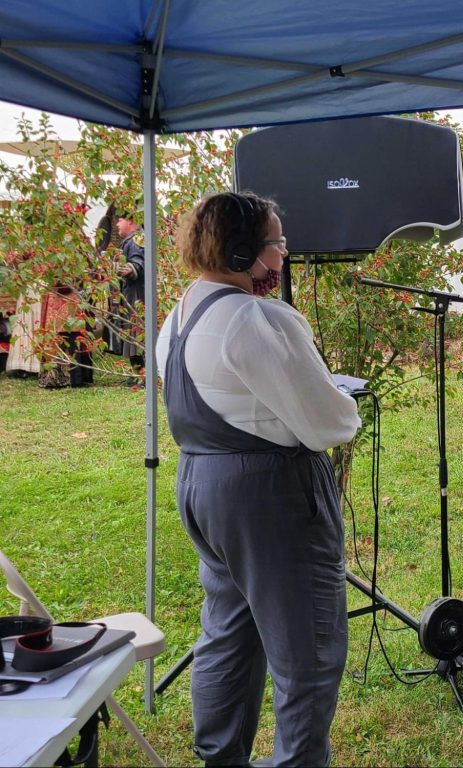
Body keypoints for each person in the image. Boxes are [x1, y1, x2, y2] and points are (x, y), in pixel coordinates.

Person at [155, 191, 361, 766]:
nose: (282, 256)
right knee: (309, 652)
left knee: (228, 635)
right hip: (270, 495)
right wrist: (340, 399)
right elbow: (330, 423)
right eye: (277, 243)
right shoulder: (252, 318)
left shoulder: (179, 317)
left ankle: (220, 758)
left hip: (202, 482)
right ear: (244, 248)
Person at [112, 208, 146, 384]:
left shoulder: (136, 240)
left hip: (137, 295)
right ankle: (139, 375)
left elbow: (138, 263)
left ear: (131, 221)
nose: (117, 223)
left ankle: (142, 376)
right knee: (134, 334)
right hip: (134, 293)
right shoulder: (134, 239)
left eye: (120, 220)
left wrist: (129, 269)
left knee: (136, 334)